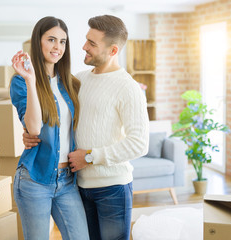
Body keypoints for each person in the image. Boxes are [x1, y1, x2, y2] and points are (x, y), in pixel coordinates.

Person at [23, 15, 149, 240]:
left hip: (112, 188)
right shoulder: (77, 80)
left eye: (92, 44)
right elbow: (56, 117)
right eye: (86, 40)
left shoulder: (128, 87)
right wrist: (31, 134)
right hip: (78, 185)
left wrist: (90, 157)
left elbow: (139, 144)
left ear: (112, 51)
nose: (83, 47)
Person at [10, 16, 89, 240]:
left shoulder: (70, 83)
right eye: (51, 39)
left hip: (67, 181)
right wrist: (30, 78)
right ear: (38, 41)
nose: (58, 47)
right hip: (35, 179)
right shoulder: (21, 82)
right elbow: (33, 129)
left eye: (63, 41)